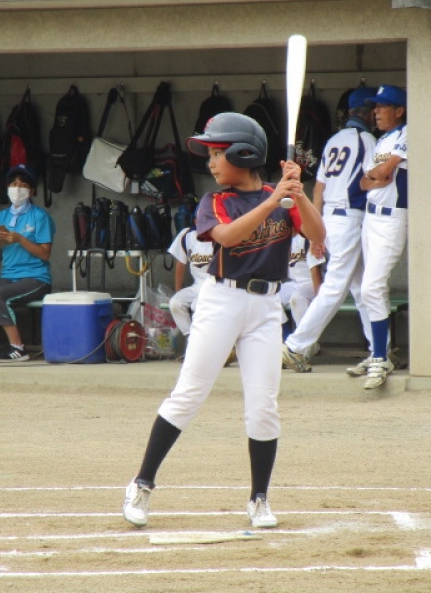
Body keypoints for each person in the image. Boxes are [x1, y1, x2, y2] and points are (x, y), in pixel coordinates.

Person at [122, 113, 325, 529]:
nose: (211, 163)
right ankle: (142, 484)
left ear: (244, 154)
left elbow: (317, 235)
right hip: (221, 301)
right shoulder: (214, 201)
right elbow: (229, 237)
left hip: (266, 307)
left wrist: (297, 193)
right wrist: (274, 200)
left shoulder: (281, 196)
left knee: (263, 407)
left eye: (218, 153)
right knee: (189, 394)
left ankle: (259, 499)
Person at [281, 87, 377, 373]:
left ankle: (378, 350)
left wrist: (316, 229)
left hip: (329, 218)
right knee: (335, 288)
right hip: (349, 219)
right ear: (369, 112)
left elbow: (318, 189)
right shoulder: (367, 139)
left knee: (361, 288)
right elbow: (373, 180)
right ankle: (295, 346)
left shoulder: (334, 140)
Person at [0, 164, 55, 363]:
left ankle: (18, 348)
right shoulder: (1, 216)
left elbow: (44, 254)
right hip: (9, 276)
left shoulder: (40, 216)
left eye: (23, 185)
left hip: (36, 278)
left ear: (32, 191)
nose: (17, 188)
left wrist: (19, 239)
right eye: (13, 184)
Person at [355, 84, 408, 390]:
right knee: (369, 289)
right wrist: (375, 176)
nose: (375, 112)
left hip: (392, 218)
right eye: (375, 107)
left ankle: (379, 357)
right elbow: (364, 182)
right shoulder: (381, 140)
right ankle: (380, 352)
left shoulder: (407, 133)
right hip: (371, 218)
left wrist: (377, 175)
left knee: (372, 286)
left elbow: (385, 173)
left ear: (399, 110)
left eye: (383, 106)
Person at [167, 216, 214, 340]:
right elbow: (180, 264)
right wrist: (178, 291)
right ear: (195, 221)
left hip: (216, 284)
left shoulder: (221, 234)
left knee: (196, 305)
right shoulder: (187, 235)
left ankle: (204, 341)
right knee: (175, 303)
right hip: (198, 284)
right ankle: (191, 338)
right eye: (200, 218)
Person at [279, 233, 323, 346]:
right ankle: (286, 341)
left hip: (311, 283)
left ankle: (307, 345)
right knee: (270, 296)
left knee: (297, 298)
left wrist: (320, 300)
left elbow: (315, 269)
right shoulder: (283, 236)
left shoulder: (308, 236)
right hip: (294, 283)